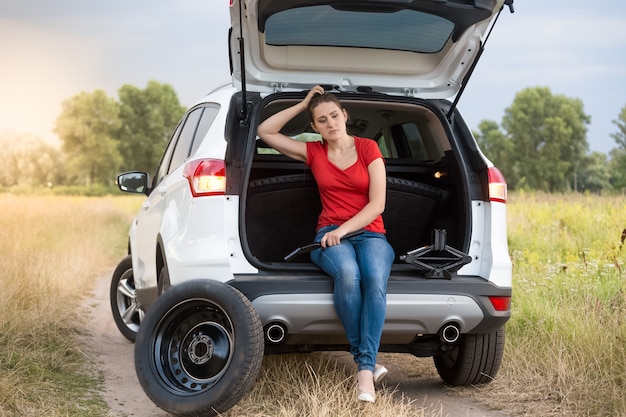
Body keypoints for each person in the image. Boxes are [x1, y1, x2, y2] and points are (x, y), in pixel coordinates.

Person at [257, 85, 395, 403]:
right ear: (314, 127)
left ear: (345, 116)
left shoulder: (368, 149)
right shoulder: (313, 152)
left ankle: (364, 364)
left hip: (370, 233)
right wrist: (304, 103)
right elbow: (266, 131)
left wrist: (345, 231)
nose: (330, 123)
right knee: (348, 274)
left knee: (374, 278)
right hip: (328, 233)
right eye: (321, 120)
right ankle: (366, 369)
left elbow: (377, 205)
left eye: (334, 115)